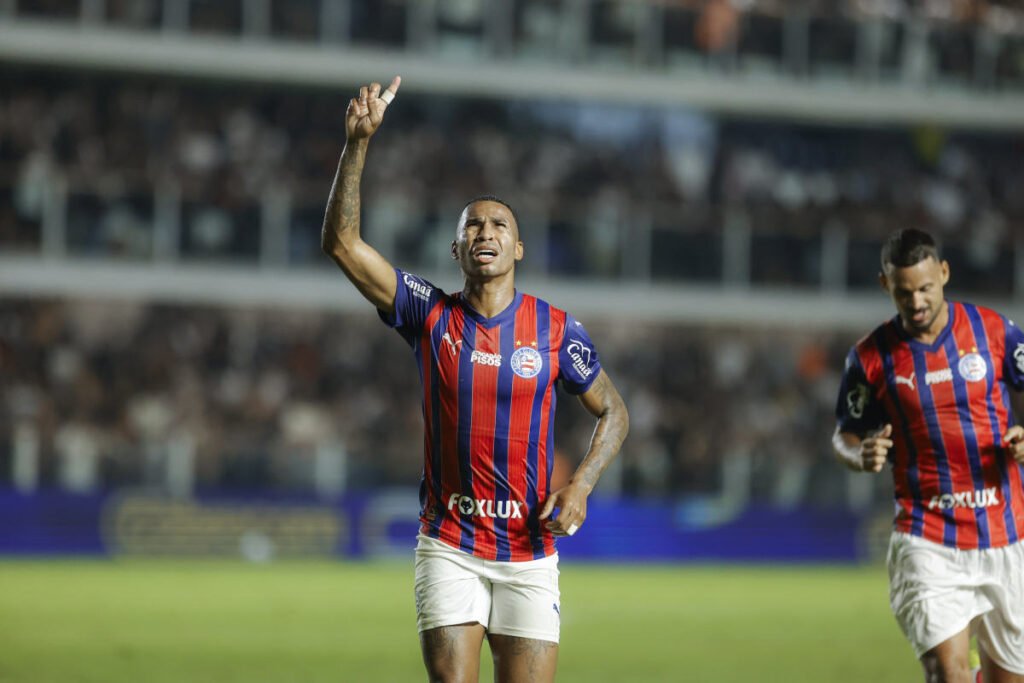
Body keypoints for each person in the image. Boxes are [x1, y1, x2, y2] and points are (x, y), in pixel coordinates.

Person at [322, 76, 629, 683]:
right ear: (456, 249)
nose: (485, 232)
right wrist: (357, 145)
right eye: (473, 226)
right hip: (449, 545)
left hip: (529, 551)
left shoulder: (555, 329)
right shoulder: (428, 313)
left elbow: (615, 411)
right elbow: (342, 243)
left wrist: (582, 485)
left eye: (499, 226)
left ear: (519, 249)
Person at [833, 228, 1024, 683]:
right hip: (927, 536)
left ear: (944, 273)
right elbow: (844, 436)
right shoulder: (869, 358)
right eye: (904, 292)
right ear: (885, 285)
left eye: (925, 288)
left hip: (1007, 533)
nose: (916, 301)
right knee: (946, 673)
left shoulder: (995, 331)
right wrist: (859, 456)